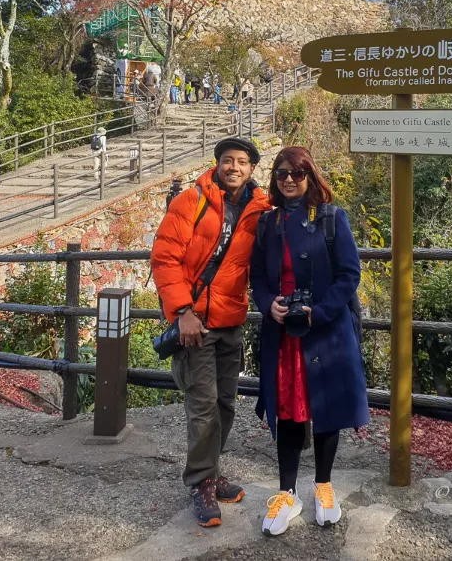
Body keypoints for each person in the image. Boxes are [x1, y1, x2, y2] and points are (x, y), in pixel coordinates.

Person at [151, 137, 270, 528]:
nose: (233, 167)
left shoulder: (259, 209)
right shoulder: (191, 201)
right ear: (217, 164)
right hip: (195, 323)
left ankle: (211, 472)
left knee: (224, 405)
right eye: (227, 160)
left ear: (252, 168)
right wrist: (182, 311)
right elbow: (165, 257)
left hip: (230, 320)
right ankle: (201, 482)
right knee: (202, 407)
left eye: (241, 162)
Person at [250, 145, 368, 537]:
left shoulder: (332, 219)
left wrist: (321, 309)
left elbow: (349, 274)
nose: (288, 179)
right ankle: (287, 492)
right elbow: (259, 281)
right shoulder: (267, 224)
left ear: (310, 177)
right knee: (287, 412)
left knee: (326, 408)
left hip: (325, 331)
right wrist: (269, 305)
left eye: (297, 173)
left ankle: (323, 485)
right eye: (281, 173)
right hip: (282, 334)